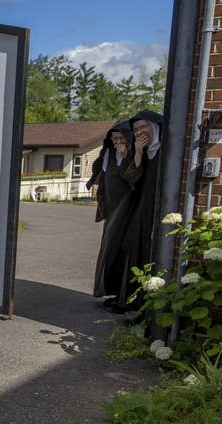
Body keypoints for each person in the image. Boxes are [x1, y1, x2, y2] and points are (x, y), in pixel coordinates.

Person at [116, 109, 164, 312]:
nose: (138, 133)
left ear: (154, 126)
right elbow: (130, 178)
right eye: (135, 129)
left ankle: (150, 307)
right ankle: (135, 302)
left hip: (159, 210)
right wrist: (136, 153)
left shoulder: (166, 150)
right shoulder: (144, 153)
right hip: (142, 208)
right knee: (135, 250)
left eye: (143, 127)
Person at [87, 120, 133, 309]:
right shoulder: (108, 154)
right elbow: (103, 179)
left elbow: (130, 178)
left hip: (127, 209)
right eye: (115, 138)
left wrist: (125, 154)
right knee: (108, 250)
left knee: (122, 251)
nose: (117, 142)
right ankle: (111, 292)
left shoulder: (131, 156)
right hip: (112, 210)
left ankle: (124, 298)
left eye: (122, 138)